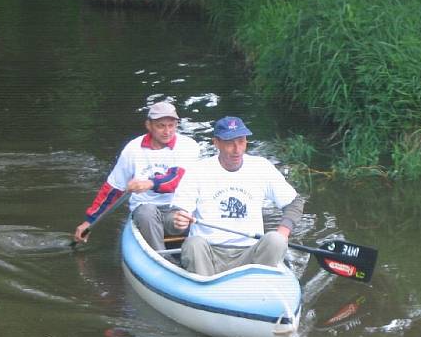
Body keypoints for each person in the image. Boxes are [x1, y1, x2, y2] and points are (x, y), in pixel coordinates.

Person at [171, 116, 304, 276]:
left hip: (250, 253)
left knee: (276, 240)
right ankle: (205, 288)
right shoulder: (198, 171)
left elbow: (295, 202)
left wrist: (283, 231)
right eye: (229, 142)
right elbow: (174, 216)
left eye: (241, 141)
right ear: (216, 143)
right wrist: (178, 220)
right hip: (209, 253)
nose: (237, 149)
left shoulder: (261, 167)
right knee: (193, 243)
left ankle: (259, 283)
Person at [74, 101, 200, 250]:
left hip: (176, 210)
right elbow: (113, 189)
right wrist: (89, 221)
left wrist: (150, 183)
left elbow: (178, 178)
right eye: (161, 126)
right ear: (149, 125)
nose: (167, 131)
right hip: (144, 211)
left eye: (171, 125)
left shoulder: (188, 146)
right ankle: (159, 257)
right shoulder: (132, 149)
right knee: (147, 212)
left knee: (182, 217)